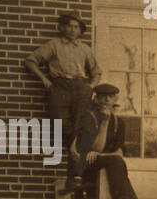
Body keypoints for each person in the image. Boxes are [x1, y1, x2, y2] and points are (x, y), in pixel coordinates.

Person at [69, 83, 139, 199]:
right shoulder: (88, 118)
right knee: (114, 162)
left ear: (115, 100)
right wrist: (104, 123)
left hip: (111, 170)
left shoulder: (119, 123)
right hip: (88, 168)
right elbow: (94, 149)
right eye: (103, 96)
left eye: (110, 96)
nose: (107, 100)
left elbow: (119, 153)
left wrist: (101, 155)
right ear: (96, 99)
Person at [23, 11, 100, 143]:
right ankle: (72, 149)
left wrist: (90, 86)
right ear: (62, 27)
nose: (72, 30)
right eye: (69, 26)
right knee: (61, 125)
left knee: (80, 124)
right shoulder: (54, 45)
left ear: (80, 30)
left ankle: (76, 155)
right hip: (60, 88)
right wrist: (45, 80)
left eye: (76, 27)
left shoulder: (84, 49)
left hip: (80, 87)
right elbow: (30, 61)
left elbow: (96, 72)